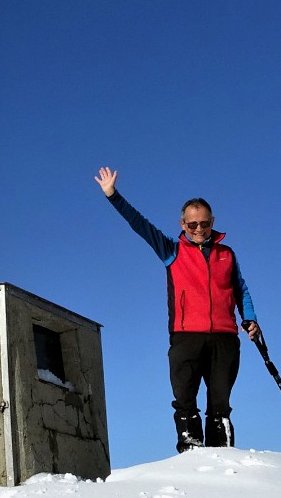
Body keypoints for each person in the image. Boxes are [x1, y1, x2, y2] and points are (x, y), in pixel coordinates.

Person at [95, 166, 261, 451]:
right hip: (186, 337)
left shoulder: (226, 254)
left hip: (224, 337)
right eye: (192, 224)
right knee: (185, 399)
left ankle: (223, 456)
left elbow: (240, 289)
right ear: (183, 224)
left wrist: (250, 319)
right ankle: (191, 454)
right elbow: (140, 224)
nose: (199, 229)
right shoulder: (172, 251)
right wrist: (113, 196)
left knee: (220, 402)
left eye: (204, 224)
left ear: (212, 223)